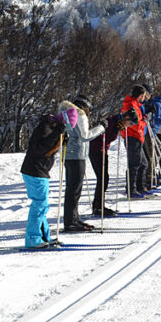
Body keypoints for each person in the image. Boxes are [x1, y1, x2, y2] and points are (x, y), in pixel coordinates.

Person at [20, 110, 71, 248]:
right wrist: (57, 134)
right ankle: (33, 239)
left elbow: (47, 151)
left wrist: (60, 142)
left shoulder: (49, 129)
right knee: (39, 205)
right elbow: (40, 149)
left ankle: (43, 236)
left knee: (42, 205)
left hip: (38, 171)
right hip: (35, 171)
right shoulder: (45, 128)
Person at [62, 96, 105, 231]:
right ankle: (70, 221)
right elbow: (85, 136)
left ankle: (73, 218)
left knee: (72, 188)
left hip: (68, 154)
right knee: (75, 190)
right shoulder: (79, 115)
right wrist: (101, 128)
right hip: (77, 155)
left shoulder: (66, 113)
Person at [88, 108, 137, 217]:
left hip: (102, 150)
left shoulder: (117, 123)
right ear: (126, 118)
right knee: (103, 178)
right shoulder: (112, 122)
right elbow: (105, 135)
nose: (130, 125)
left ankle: (99, 204)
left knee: (104, 178)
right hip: (96, 150)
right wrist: (116, 129)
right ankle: (98, 206)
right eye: (131, 122)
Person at [122, 84, 150, 197]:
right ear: (139, 95)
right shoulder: (131, 105)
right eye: (143, 95)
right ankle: (131, 189)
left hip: (138, 137)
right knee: (134, 164)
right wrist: (143, 122)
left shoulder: (135, 105)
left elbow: (139, 119)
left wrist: (143, 119)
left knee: (143, 163)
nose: (144, 98)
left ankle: (140, 186)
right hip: (132, 136)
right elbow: (135, 124)